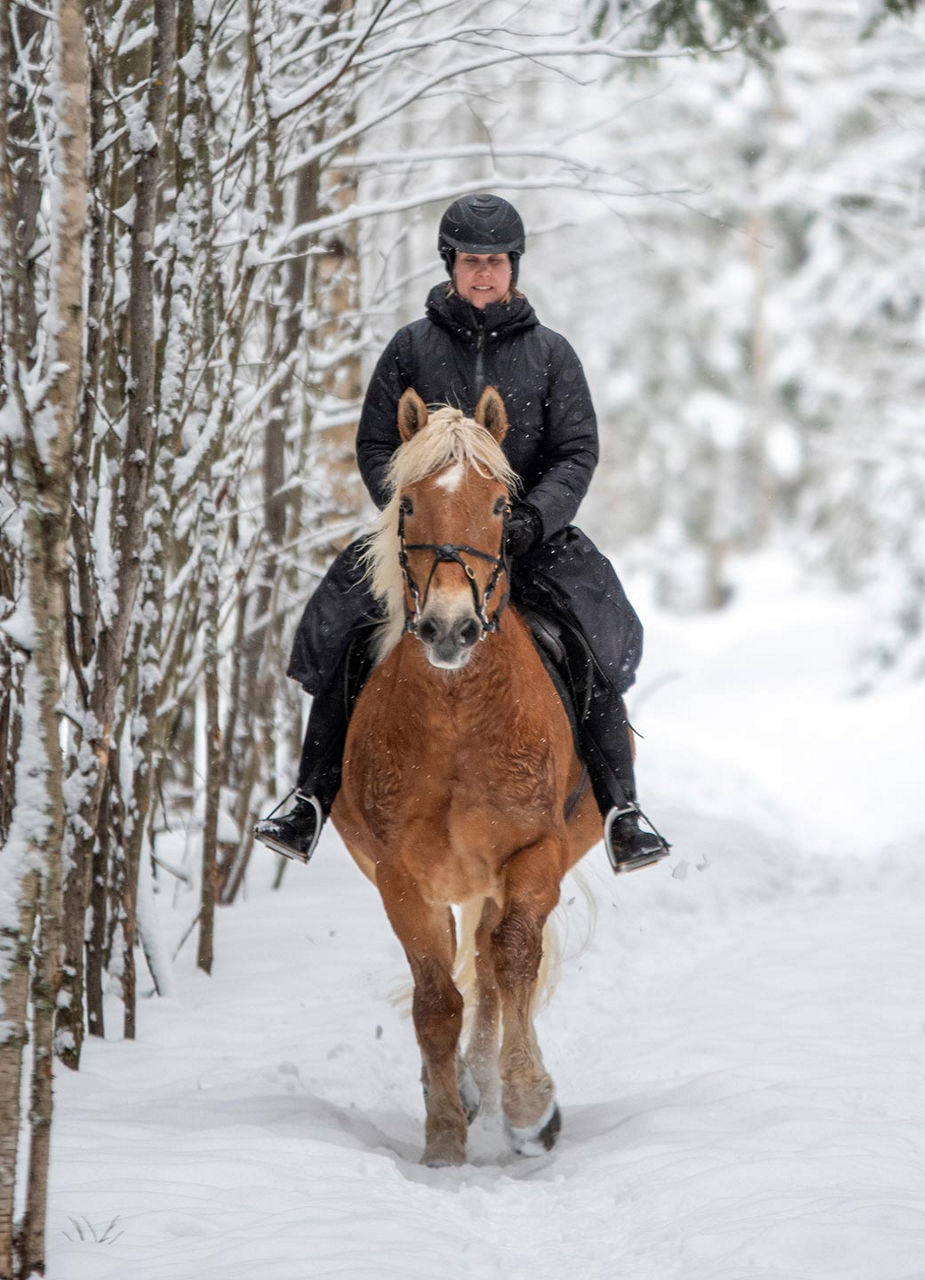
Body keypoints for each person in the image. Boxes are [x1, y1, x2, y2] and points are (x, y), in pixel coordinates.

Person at [255, 193, 669, 873]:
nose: (485, 272)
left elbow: (576, 451)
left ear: (513, 266)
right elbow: (375, 443)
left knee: (590, 639)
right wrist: (421, 519)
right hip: (425, 542)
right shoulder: (409, 348)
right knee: (347, 633)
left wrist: (532, 517)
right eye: (473, 260)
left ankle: (623, 809)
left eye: (497, 261)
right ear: (451, 264)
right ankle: (308, 798)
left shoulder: (550, 355)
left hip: (526, 536)